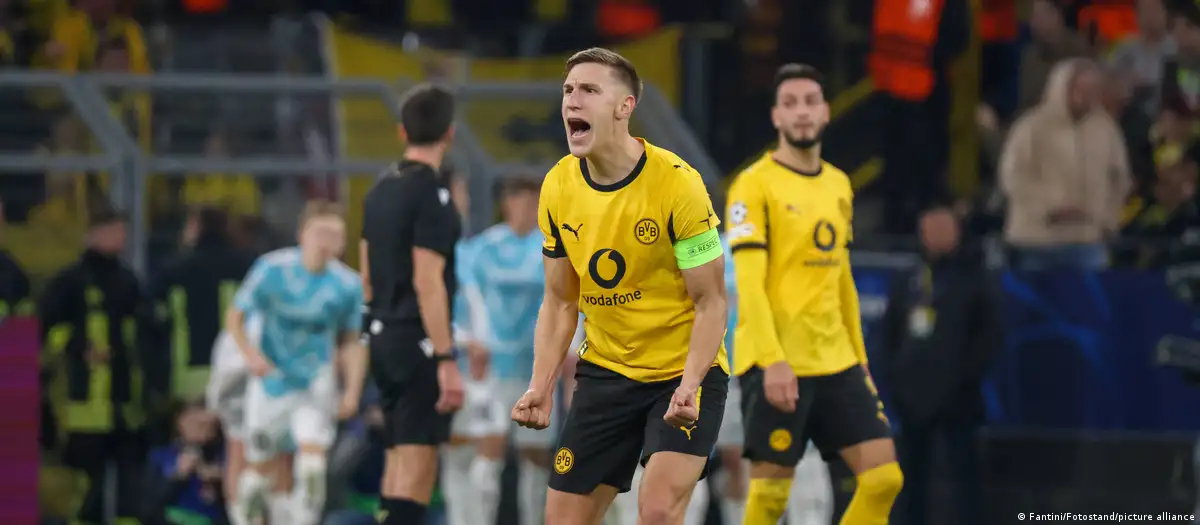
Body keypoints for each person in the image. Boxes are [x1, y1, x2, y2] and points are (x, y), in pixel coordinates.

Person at [510, 47, 730, 525]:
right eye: (568, 90)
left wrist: (690, 384)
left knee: (657, 513)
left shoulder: (678, 185)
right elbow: (560, 300)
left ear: (624, 107)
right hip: (607, 373)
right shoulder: (558, 186)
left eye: (589, 90)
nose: (573, 100)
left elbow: (711, 301)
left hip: (680, 374)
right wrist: (541, 385)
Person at [725, 63, 903, 525]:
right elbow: (749, 283)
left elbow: (841, 277)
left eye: (810, 102)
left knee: (884, 480)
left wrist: (860, 357)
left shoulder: (839, 184)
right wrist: (772, 361)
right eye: (790, 103)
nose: (801, 112)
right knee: (769, 499)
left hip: (837, 360)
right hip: (778, 360)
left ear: (825, 112)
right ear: (776, 117)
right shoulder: (753, 184)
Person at [359, 83, 465, 525]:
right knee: (419, 463)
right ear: (450, 133)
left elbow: (366, 271)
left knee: (397, 456)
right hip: (414, 338)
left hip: (381, 332)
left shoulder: (380, 188)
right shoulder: (432, 194)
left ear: (402, 132)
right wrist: (445, 357)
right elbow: (427, 280)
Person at [224, 201, 367, 525]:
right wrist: (251, 356)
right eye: (320, 233)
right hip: (271, 383)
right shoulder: (271, 270)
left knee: (312, 467)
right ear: (302, 234)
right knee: (259, 474)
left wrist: (352, 391)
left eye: (335, 236)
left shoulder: (347, 285)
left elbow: (352, 341)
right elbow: (235, 317)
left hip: (315, 384)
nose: (326, 242)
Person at [445, 177, 558, 525]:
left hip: (536, 370)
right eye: (521, 198)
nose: (528, 206)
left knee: (535, 456)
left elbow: (567, 303)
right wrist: (467, 341)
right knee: (488, 451)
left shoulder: (553, 249)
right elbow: (462, 302)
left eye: (534, 200)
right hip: (491, 370)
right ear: (507, 202)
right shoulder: (481, 249)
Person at [880, 208, 1002, 525]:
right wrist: (897, 375)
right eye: (928, 230)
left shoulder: (975, 278)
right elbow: (890, 330)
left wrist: (963, 377)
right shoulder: (909, 278)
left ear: (956, 233)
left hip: (959, 396)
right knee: (912, 477)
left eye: (941, 229)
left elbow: (989, 336)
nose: (934, 236)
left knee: (964, 475)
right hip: (912, 396)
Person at [39, 205, 149, 525]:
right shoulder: (69, 282)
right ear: (93, 234)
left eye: (122, 231)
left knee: (130, 494)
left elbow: (143, 334)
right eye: (113, 230)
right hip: (82, 407)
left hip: (124, 406)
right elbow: (45, 330)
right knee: (87, 493)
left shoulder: (128, 281)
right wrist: (77, 348)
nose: (120, 238)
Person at [1000, 58, 1132, 271]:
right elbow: (1013, 178)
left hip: (1088, 240)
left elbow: (1119, 178)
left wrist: (1108, 219)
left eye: (1092, 90)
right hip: (1037, 241)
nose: (1088, 96)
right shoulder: (1031, 127)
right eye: (1082, 90)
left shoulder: (1106, 128)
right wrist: (1051, 207)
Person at [142, 400, 230, 525]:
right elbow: (149, 505)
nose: (201, 430)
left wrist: (220, 477)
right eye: (195, 423)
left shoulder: (224, 453)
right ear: (180, 423)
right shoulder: (161, 457)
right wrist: (178, 475)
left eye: (206, 425)